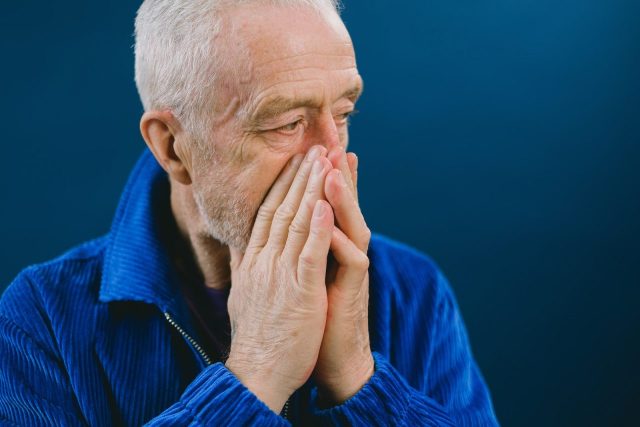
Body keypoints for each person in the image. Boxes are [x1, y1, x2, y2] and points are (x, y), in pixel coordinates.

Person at [0, 0, 499, 425]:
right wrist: (255, 375)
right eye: (286, 124)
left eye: (344, 114)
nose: (331, 157)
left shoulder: (412, 292)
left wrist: (357, 380)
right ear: (173, 146)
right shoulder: (40, 321)